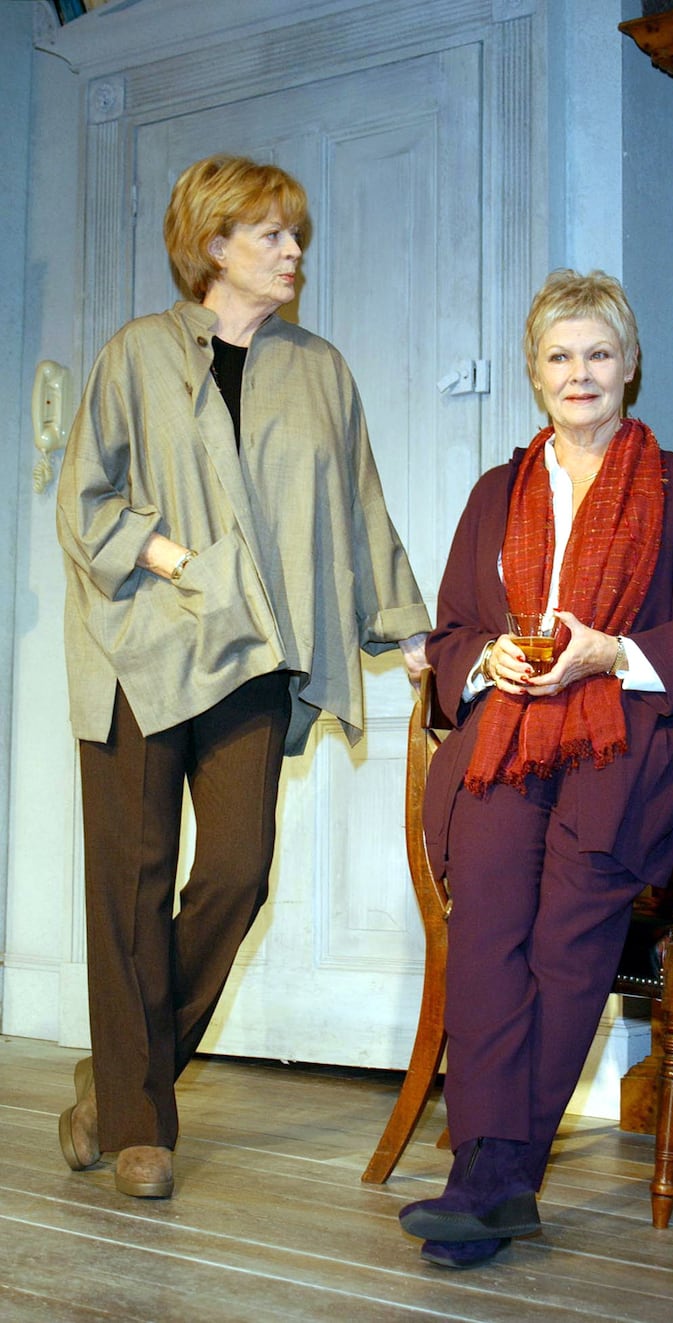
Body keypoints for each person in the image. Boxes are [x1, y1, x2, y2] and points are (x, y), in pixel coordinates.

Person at [56, 154, 429, 1200]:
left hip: (254, 655)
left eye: (293, 234)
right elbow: (86, 502)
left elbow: (360, 508)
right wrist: (175, 560)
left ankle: (120, 1081)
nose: (293, 250)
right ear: (214, 243)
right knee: (128, 886)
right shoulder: (136, 354)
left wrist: (404, 629)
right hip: (141, 646)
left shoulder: (321, 369)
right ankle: (141, 1130)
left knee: (237, 869)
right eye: (271, 233)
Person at [398, 269, 673, 1270]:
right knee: (486, 949)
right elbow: (457, 626)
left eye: (597, 352)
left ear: (629, 366)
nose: (579, 372)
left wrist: (611, 655)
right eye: (558, 355)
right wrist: (485, 660)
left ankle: (493, 1183)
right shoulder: (493, 493)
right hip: (506, 739)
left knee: (563, 948)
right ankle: (490, 1175)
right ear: (533, 374)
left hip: (625, 744)